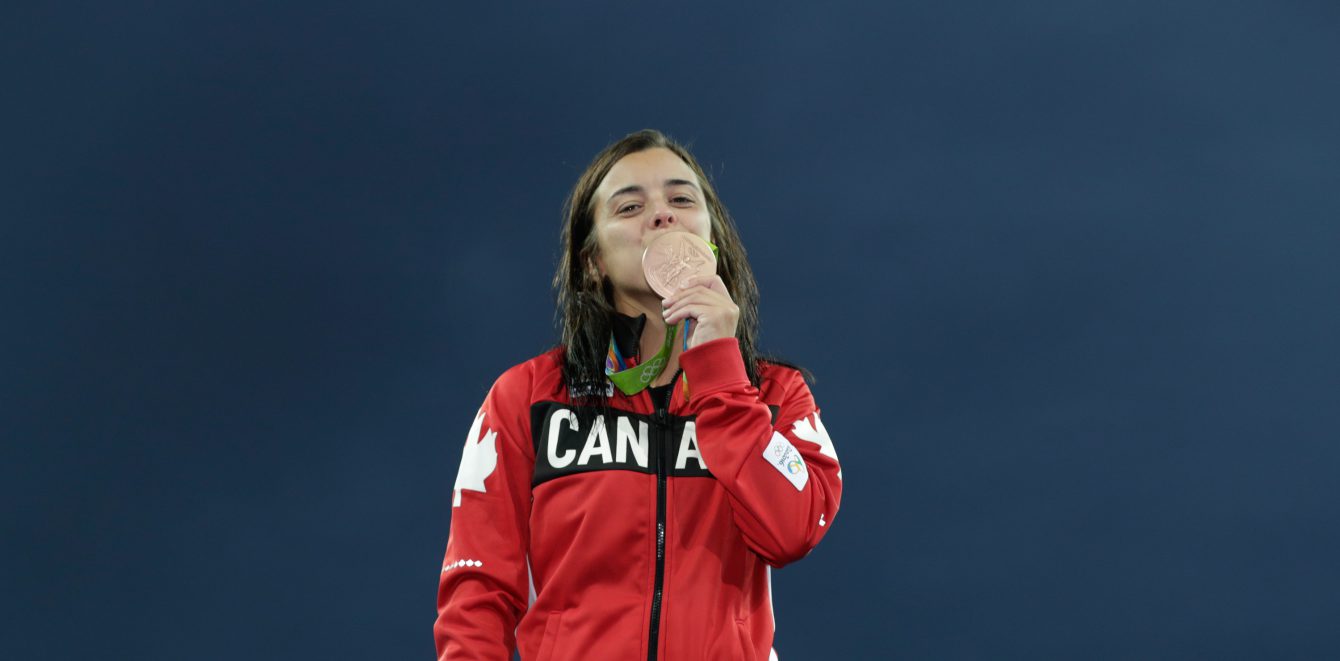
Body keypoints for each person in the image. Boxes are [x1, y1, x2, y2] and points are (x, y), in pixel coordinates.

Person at [434, 129, 843, 660]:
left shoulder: (775, 395)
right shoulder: (527, 398)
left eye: (682, 199)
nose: (662, 215)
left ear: (712, 241)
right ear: (593, 263)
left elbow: (790, 533)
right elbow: (478, 594)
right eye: (630, 207)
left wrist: (721, 375)